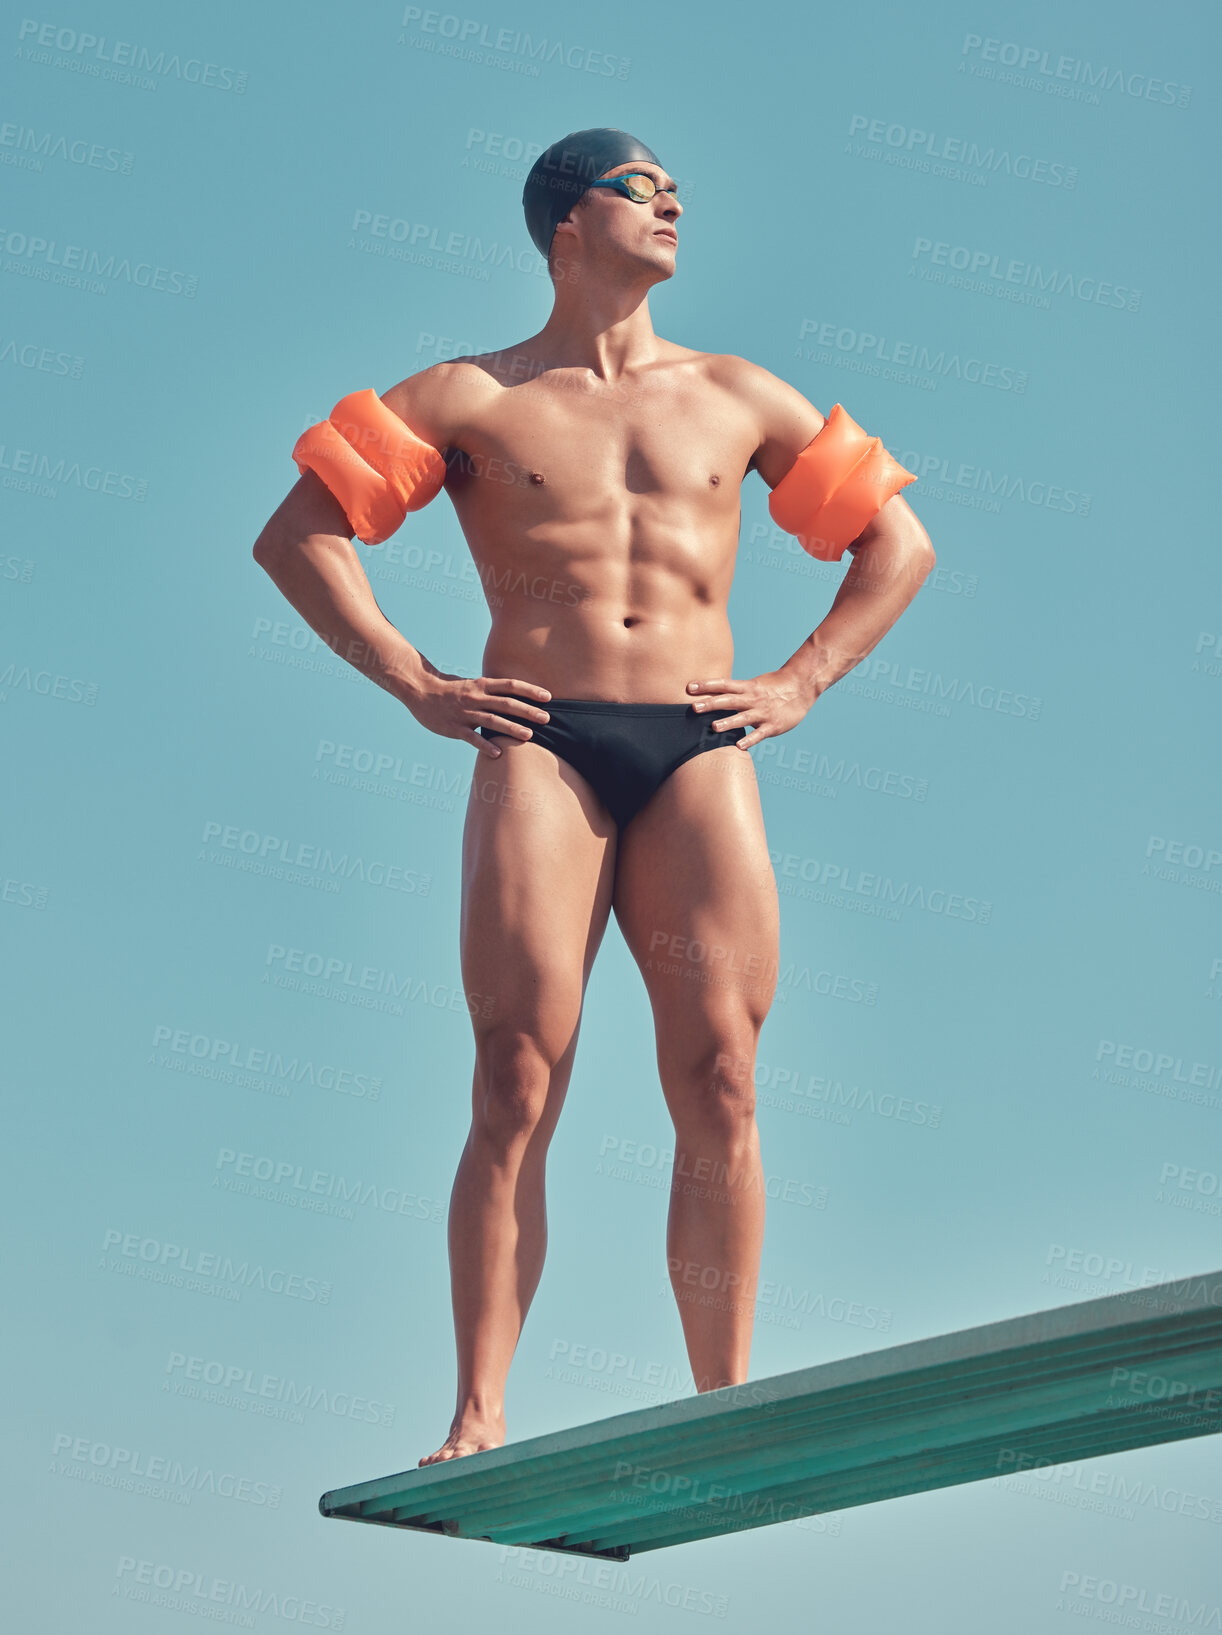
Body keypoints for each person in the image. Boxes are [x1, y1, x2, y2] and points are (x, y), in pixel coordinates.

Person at [252, 128, 935, 1467]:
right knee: (514, 1076)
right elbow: (299, 536)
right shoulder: (468, 396)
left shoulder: (738, 393)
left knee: (722, 1079)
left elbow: (895, 543)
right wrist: (410, 679)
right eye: (641, 186)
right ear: (567, 224)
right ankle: (479, 1411)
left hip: (695, 739)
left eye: (680, 183)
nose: (673, 199)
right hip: (540, 738)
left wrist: (797, 683)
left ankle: (724, 1410)